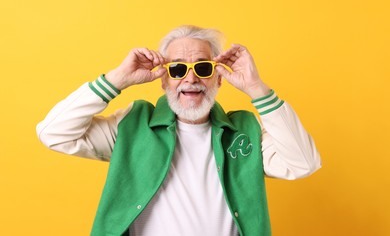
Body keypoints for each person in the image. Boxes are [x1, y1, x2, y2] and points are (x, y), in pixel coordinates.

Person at [37, 25, 321, 236]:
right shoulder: (133, 125)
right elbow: (53, 133)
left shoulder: (244, 129)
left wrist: (258, 90)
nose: (191, 77)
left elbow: (304, 163)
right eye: (177, 69)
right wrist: (116, 80)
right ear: (163, 80)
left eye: (203, 67)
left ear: (219, 79)